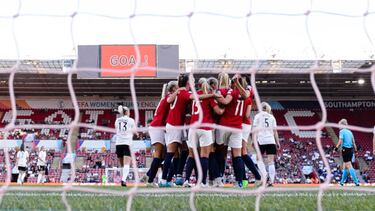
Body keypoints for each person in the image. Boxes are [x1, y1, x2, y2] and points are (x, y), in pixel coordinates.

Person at [160, 73, 217, 187]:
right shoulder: (185, 93)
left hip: (175, 125)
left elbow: (168, 100)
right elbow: (197, 97)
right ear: (187, 83)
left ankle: (179, 177)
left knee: (185, 151)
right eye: (192, 80)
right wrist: (213, 95)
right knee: (172, 153)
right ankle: (164, 179)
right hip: (175, 125)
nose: (193, 82)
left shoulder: (177, 92)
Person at [184, 78, 224, 187]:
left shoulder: (194, 95)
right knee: (204, 156)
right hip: (205, 128)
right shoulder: (209, 96)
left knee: (191, 155)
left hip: (193, 127)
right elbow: (218, 111)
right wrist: (224, 108)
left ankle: (186, 180)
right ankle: (202, 182)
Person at [215, 74, 248, 187]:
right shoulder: (245, 94)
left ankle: (219, 178)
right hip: (237, 127)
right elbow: (246, 95)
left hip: (224, 125)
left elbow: (225, 102)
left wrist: (214, 94)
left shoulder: (231, 92)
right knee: (237, 155)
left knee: (220, 153)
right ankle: (239, 182)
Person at [146, 81, 177, 187]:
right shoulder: (170, 98)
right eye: (177, 87)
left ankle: (150, 175)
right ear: (173, 89)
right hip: (158, 126)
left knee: (163, 155)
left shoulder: (165, 98)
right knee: (159, 154)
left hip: (156, 126)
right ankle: (150, 180)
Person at [240, 76, 261, 187]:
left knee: (242, 153)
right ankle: (245, 180)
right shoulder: (245, 95)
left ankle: (256, 177)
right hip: (244, 124)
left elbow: (247, 114)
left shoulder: (247, 94)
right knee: (239, 153)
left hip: (243, 124)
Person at [252, 102, 280, 187]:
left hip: (261, 140)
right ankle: (271, 181)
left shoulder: (257, 116)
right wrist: (277, 142)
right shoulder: (272, 117)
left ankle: (265, 175)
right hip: (271, 140)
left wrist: (253, 140)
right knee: (270, 161)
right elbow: (275, 131)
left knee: (258, 159)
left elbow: (254, 130)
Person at [115, 105, 136, 187]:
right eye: (129, 111)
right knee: (127, 164)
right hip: (127, 143)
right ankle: (123, 180)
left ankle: (122, 179)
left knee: (122, 164)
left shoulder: (117, 120)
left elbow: (116, 129)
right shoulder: (131, 120)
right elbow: (134, 131)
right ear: (126, 112)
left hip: (118, 144)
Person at [335, 119, 359, 186]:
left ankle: (356, 182)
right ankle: (341, 182)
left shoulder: (342, 131)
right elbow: (354, 143)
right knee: (345, 166)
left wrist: (336, 148)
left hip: (345, 150)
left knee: (348, 165)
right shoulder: (350, 132)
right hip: (351, 150)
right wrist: (356, 151)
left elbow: (340, 140)